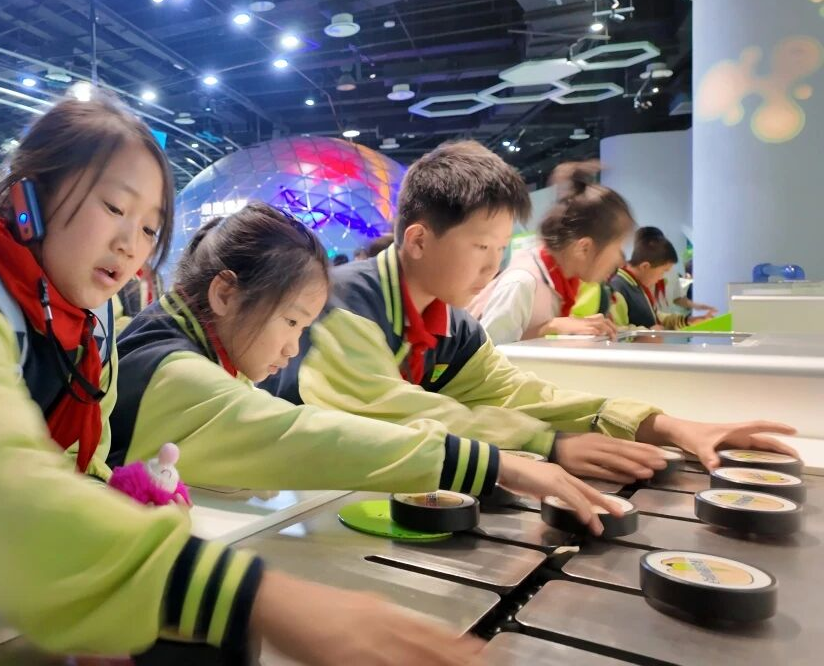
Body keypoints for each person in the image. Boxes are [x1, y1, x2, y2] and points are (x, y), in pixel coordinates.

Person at [0, 94, 484, 666]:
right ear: (31, 195)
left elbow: (83, 469)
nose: (129, 244)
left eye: (148, 228)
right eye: (113, 207)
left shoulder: (89, 324)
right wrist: (248, 597)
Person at [266, 141, 797, 482]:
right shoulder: (341, 301)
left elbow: (522, 392)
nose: (492, 266)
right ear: (419, 240)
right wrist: (546, 444)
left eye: (500, 248)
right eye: (480, 247)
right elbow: (387, 410)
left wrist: (664, 425)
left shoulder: (454, 324)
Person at [112, 202, 620, 521]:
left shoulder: (181, 334)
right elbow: (298, 432)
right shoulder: (172, 366)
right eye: (291, 322)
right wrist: (494, 461)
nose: (491, 267)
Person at [470, 161, 627, 343]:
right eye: (617, 247)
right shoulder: (523, 282)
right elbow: (483, 351)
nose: (620, 261)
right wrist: (550, 327)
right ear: (584, 247)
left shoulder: (558, 280)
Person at [608, 228, 689, 330]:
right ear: (645, 266)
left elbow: (653, 317)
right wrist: (649, 332)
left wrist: (686, 321)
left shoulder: (637, 285)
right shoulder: (618, 288)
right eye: (663, 271)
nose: (661, 277)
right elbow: (615, 331)